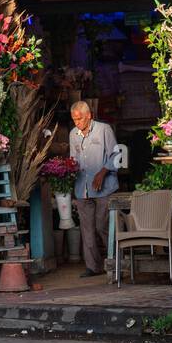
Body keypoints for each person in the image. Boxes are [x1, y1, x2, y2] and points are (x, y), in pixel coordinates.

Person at [69, 100, 118, 277]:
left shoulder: (104, 130)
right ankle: (93, 266)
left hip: (104, 188)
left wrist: (102, 172)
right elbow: (73, 159)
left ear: (89, 115)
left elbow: (116, 154)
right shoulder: (73, 134)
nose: (77, 123)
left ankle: (115, 260)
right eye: (74, 120)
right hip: (82, 188)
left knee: (102, 226)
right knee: (87, 229)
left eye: (80, 119)